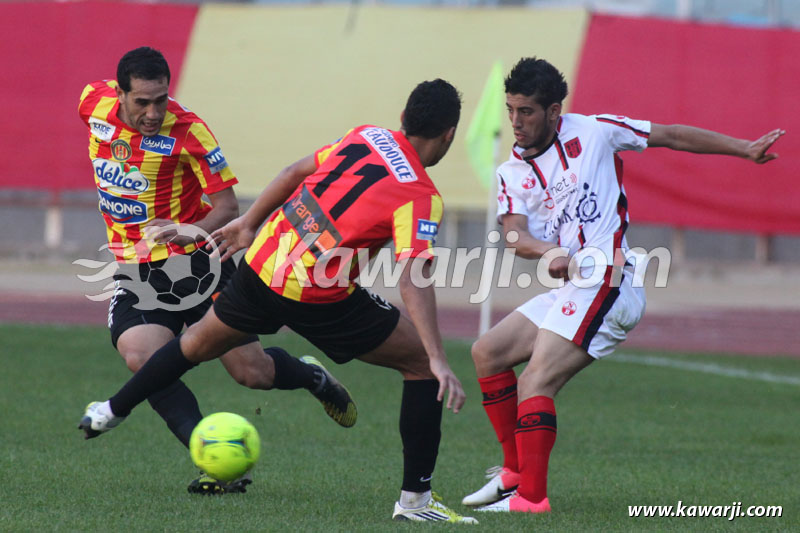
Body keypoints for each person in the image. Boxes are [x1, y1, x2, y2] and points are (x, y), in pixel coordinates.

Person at [79, 78, 478, 523]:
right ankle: (415, 504)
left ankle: (110, 410)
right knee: (420, 364)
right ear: (448, 135)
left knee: (192, 349)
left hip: (263, 266)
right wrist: (440, 358)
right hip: (319, 297)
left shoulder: (367, 135)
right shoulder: (421, 197)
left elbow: (293, 172)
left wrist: (250, 223)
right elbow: (413, 277)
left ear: (403, 119)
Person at [462, 57, 785, 514]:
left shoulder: (595, 131)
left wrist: (743, 148)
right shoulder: (510, 172)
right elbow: (515, 234)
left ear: (555, 112)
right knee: (486, 351)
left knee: (536, 380)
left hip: (611, 282)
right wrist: (547, 252)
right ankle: (513, 474)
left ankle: (531, 501)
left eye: (527, 111)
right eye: (511, 110)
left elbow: (672, 134)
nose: (515, 121)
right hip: (574, 285)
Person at [78, 47, 357, 494]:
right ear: (120, 93)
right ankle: (214, 460)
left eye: (161, 100)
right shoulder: (92, 102)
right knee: (143, 359)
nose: (153, 113)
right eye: (142, 102)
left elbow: (228, 209)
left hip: (202, 265)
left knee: (253, 374)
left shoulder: (191, 132)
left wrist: (186, 231)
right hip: (138, 272)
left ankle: (312, 376)